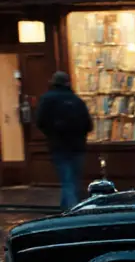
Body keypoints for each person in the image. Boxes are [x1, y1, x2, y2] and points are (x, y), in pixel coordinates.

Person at [36, 71, 93, 210]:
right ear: (68, 83)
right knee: (74, 180)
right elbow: (89, 125)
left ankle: (71, 212)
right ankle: (67, 209)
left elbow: (40, 121)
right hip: (77, 146)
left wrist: (52, 133)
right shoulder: (76, 100)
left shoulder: (47, 99)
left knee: (67, 181)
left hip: (59, 146)